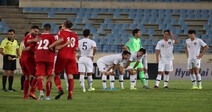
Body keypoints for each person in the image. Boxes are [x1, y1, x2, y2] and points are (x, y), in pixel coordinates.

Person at [49, 20, 78, 100]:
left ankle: (60, 89)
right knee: (70, 76)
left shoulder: (61, 33)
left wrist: (52, 46)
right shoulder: (75, 35)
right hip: (72, 57)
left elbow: (58, 44)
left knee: (56, 75)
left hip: (62, 56)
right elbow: (76, 48)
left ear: (63, 26)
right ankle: (70, 95)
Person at [21, 25, 40, 99]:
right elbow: (29, 47)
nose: (36, 33)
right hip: (29, 59)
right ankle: (31, 92)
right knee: (36, 75)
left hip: (23, 58)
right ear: (31, 30)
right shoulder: (30, 37)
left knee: (27, 77)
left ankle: (25, 95)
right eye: (35, 31)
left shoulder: (27, 37)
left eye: (37, 32)